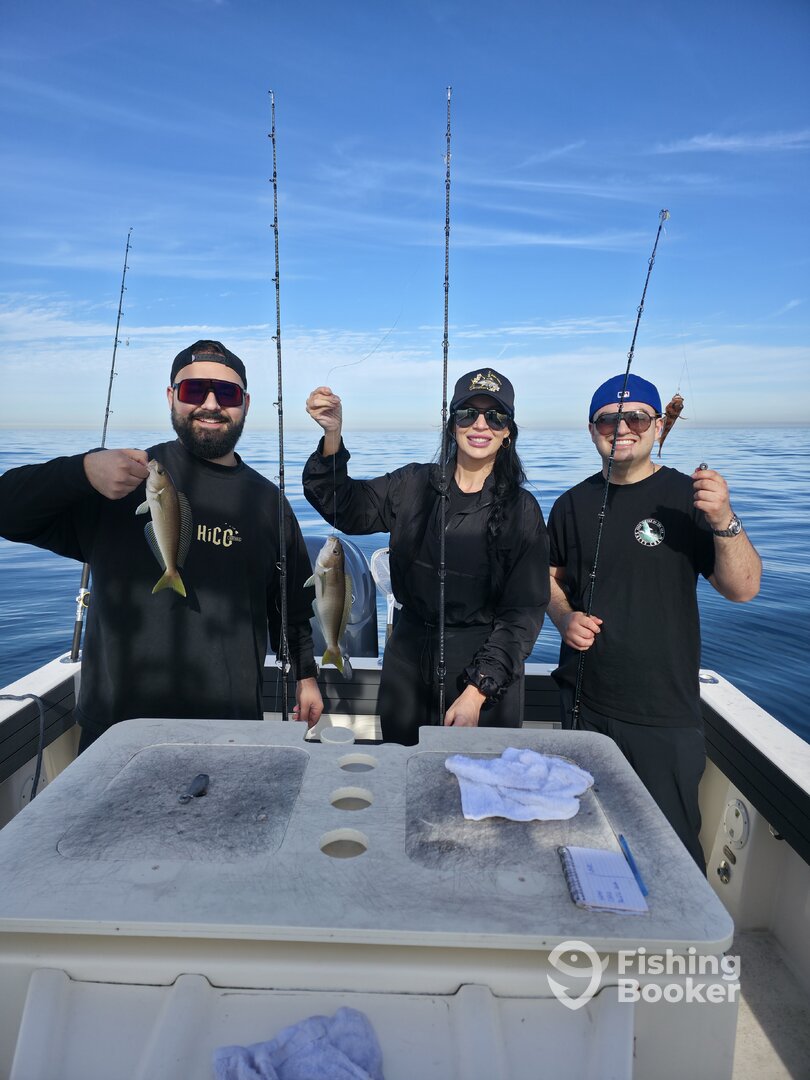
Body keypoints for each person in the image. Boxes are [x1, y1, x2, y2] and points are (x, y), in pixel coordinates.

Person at [0, 340, 323, 750]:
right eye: (194, 390)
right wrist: (81, 471)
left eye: (227, 393)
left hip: (230, 730)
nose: (210, 404)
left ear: (245, 404)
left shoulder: (268, 503)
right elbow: (7, 511)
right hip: (117, 730)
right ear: (171, 396)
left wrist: (306, 676)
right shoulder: (117, 479)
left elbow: (289, 606)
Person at [547, 373, 761, 869]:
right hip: (582, 705)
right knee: (584, 842)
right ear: (592, 429)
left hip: (664, 714)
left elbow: (744, 588)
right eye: (608, 420)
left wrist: (724, 520)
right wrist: (563, 615)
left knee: (670, 855)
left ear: (659, 425)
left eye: (637, 418)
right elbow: (548, 577)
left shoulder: (689, 498)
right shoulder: (570, 504)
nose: (622, 428)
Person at [303, 368, 550, 745]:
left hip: (484, 667)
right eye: (467, 413)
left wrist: (477, 691)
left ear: (508, 433)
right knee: (403, 766)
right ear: (452, 426)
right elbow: (345, 507)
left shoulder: (523, 510)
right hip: (408, 662)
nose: (480, 424)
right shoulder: (412, 484)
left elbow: (523, 615)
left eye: (495, 416)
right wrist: (332, 435)